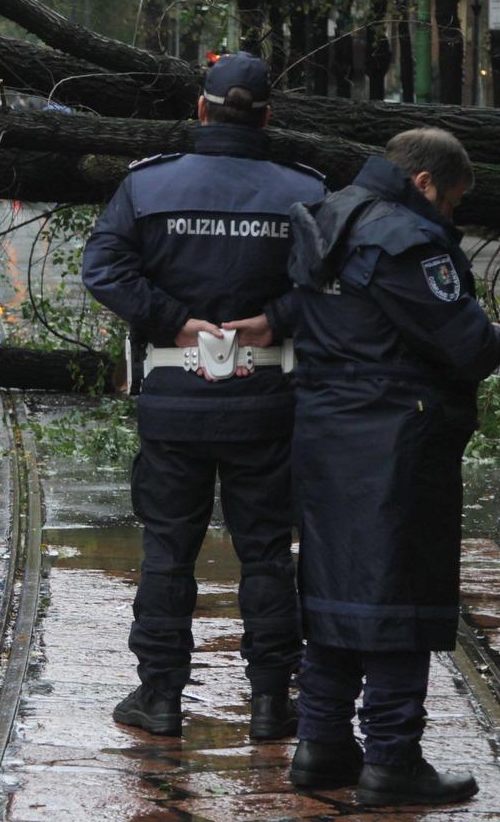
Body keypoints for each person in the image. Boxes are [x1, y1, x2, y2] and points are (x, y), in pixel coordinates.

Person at [81, 52, 326, 738]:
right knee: (269, 554)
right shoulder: (303, 190)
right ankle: (273, 702)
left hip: (173, 399)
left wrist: (172, 320)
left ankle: (159, 698)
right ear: (269, 118)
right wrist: (276, 319)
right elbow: (331, 283)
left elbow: (102, 269)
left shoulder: (148, 187)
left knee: (168, 552)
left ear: (200, 110)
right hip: (267, 401)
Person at [285, 128, 500, 805]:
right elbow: (464, 344)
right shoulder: (405, 241)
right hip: (398, 436)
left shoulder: (324, 216)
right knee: (397, 592)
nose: (450, 216)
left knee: (331, 586)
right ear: (424, 183)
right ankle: (392, 758)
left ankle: (321, 745)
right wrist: (494, 336)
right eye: (451, 203)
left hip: (324, 429)